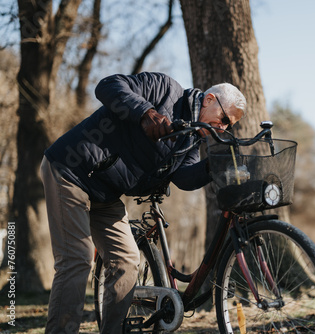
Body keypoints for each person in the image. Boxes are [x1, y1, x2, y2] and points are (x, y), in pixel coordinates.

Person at [40, 72, 246, 333]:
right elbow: (107, 86)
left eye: (229, 126)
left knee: (126, 261)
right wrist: (146, 113)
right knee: (77, 260)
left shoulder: (192, 137)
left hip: (106, 192)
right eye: (224, 119)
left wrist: (212, 166)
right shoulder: (166, 90)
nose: (223, 128)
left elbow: (183, 177)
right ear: (209, 100)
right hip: (70, 170)